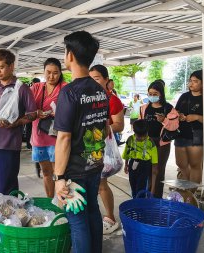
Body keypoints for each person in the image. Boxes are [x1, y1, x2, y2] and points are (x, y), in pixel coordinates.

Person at [54, 31, 108, 253]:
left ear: (70, 55)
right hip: (94, 164)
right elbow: (103, 130)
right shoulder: (100, 90)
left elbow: (64, 138)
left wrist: (59, 178)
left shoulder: (70, 92)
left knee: (77, 220)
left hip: (74, 171)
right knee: (92, 211)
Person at [0, 49, 37, 229]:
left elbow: (32, 114)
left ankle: (11, 218)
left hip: (9, 144)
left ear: (11, 66)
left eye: (2, 67)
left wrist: (15, 123)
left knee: (7, 183)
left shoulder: (21, 88)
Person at [89, 64, 124, 234]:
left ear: (106, 80)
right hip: (89, 147)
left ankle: (110, 218)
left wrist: (101, 129)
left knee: (101, 184)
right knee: (92, 185)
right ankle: (97, 216)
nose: (93, 82)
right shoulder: (89, 98)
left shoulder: (112, 100)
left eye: (96, 78)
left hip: (102, 148)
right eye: (90, 79)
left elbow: (119, 125)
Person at [31, 58, 66, 198]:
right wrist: (35, 112)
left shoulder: (65, 88)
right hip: (38, 137)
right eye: (48, 72)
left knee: (59, 174)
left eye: (55, 73)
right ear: (43, 72)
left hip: (57, 138)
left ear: (60, 73)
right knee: (45, 172)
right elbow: (25, 107)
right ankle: (50, 202)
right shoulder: (36, 88)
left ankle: (61, 204)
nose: (51, 76)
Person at [175, 70, 204, 184]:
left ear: (203, 83)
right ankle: (188, 184)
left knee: (195, 164)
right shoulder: (184, 96)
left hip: (197, 135)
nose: (191, 84)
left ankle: (192, 192)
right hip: (181, 133)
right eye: (190, 81)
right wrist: (179, 115)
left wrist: (197, 117)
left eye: (195, 81)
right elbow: (175, 111)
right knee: (180, 163)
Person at [139, 81, 174, 198]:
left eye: (155, 93)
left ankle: (156, 197)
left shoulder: (168, 108)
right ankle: (148, 195)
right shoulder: (144, 108)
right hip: (146, 143)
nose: (152, 96)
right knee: (147, 170)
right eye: (150, 93)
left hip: (161, 144)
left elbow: (175, 126)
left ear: (161, 94)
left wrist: (164, 120)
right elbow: (140, 125)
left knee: (158, 171)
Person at [122, 120, 158, 198]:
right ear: (134, 131)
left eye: (143, 136)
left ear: (147, 132)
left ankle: (140, 206)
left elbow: (154, 167)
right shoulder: (130, 139)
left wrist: (153, 187)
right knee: (133, 188)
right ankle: (135, 203)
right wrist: (126, 165)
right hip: (132, 165)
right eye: (138, 136)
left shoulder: (151, 143)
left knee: (141, 191)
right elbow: (127, 153)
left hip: (145, 167)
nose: (141, 138)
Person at [28, 77, 41, 178]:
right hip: (36, 133)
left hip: (40, 131)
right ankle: (38, 171)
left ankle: (38, 171)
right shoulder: (30, 92)